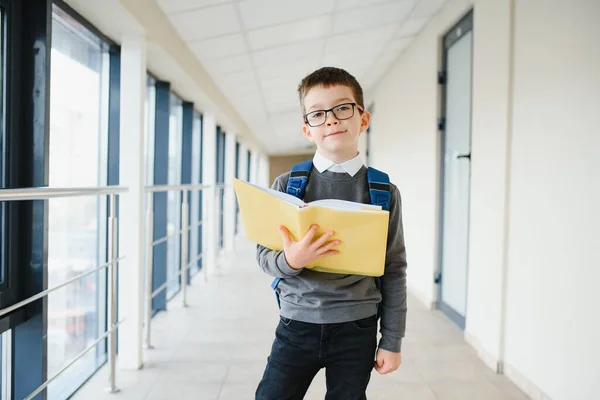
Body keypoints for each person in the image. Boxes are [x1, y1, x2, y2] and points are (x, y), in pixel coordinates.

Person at [255, 66, 408, 400]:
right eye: (318, 114)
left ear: (363, 119)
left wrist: (392, 341)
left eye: (342, 108)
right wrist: (292, 260)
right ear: (307, 129)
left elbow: (394, 268)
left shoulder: (383, 191)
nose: (331, 120)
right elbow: (264, 258)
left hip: (358, 328)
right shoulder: (288, 187)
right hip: (296, 324)